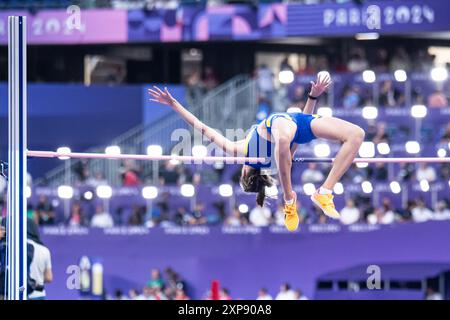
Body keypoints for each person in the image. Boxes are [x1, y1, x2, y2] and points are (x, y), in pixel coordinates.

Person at [148, 73, 365, 232]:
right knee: (350, 136)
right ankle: (290, 200)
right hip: (291, 127)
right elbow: (297, 137)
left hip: (295, 125)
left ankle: (323, 192)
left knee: (356, 134)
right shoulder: (250, 154)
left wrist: (313, 96)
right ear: (244, 173)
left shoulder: (240, 151)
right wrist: (312, 99)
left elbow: (203, 128)